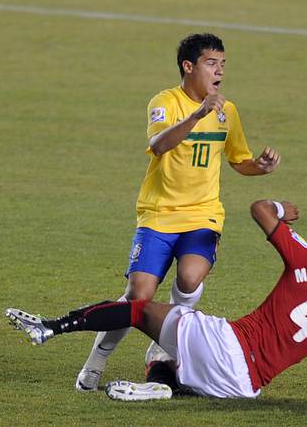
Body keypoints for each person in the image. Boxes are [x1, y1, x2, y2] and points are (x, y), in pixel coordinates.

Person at [7, 198, 307, 399]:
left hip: (229, 346)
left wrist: (283, 210)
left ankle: (51, 327)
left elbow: (260, 209)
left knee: (139, 311)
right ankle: (162, 387)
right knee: (165, 355)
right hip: (243, 388)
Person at [74, 32, 281, 391]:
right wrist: (198, 114)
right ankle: (97, 360)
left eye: (223, 64)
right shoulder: (165, 102)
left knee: (189, 278)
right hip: (159, 213)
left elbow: (239, 160)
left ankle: (162, 342)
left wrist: (259, 167)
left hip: (203, 214)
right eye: (211, 63)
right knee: (138, 296)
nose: (220, 71)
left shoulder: (228, 112)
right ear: (189, 66)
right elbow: (158, 144)